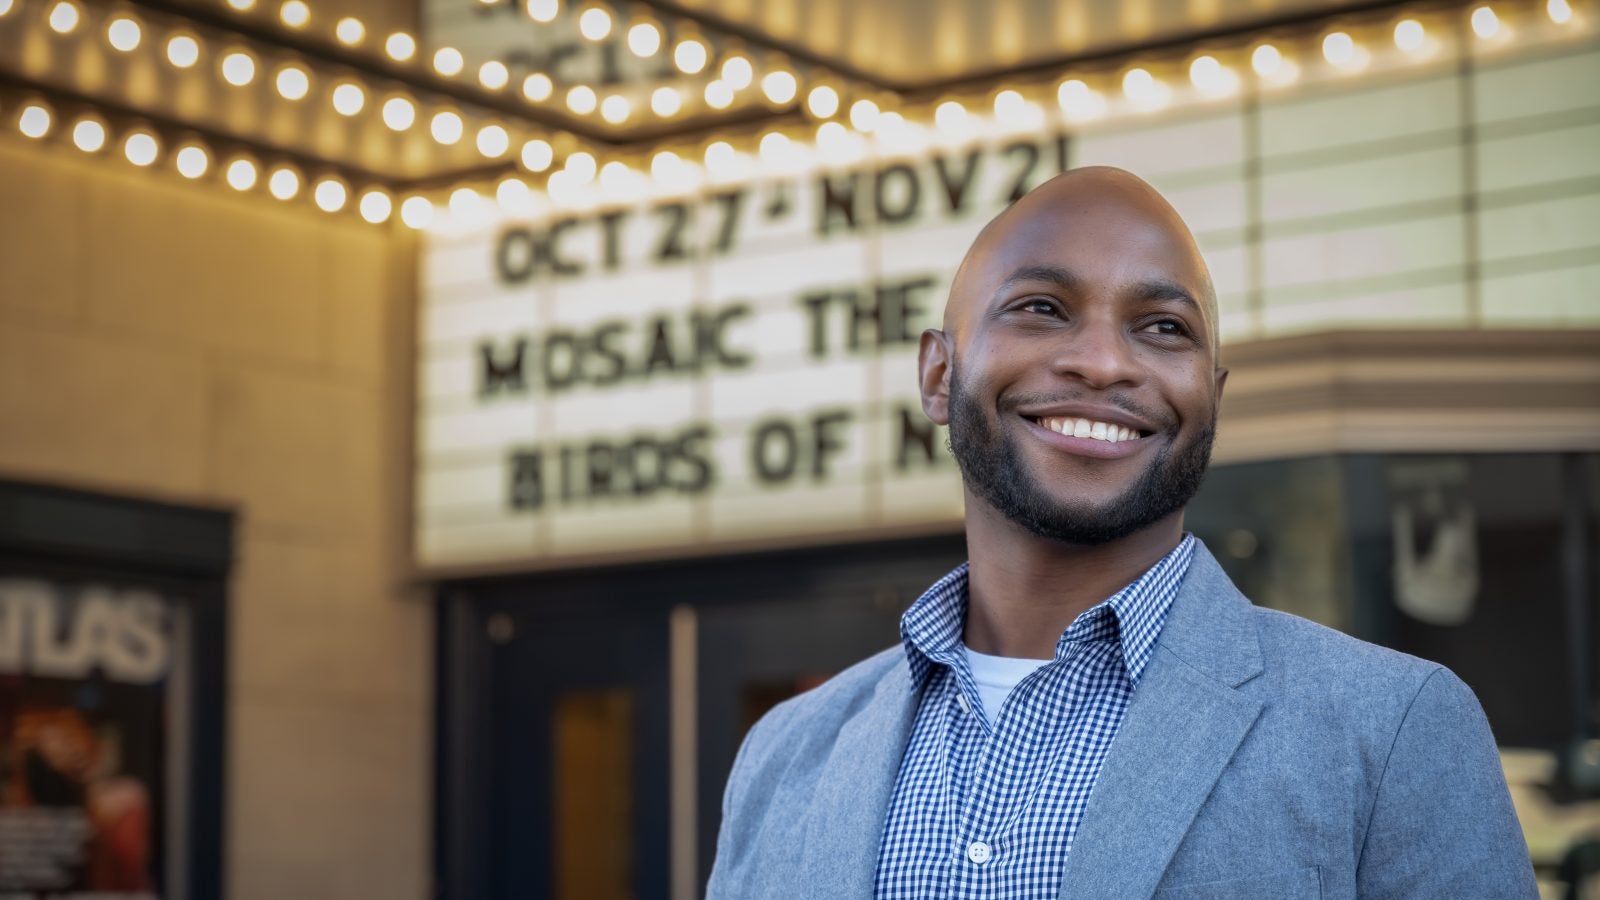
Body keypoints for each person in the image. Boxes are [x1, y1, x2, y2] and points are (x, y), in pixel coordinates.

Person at [706, 167, 1537, 899]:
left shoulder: (1395, 730)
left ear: (1212, 396)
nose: (1103, 362)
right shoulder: (784, 755)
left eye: (1163, 327)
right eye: (1041, 308)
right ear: (937, 373)